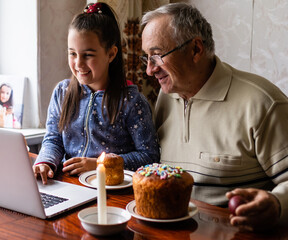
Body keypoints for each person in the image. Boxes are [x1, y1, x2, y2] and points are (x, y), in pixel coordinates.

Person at [141, 2, 288, 231]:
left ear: (196, 50)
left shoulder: (263, 103)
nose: (150, 70)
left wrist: (277, 204)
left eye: (157, 56)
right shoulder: (167, 96)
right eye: (146, 58)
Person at [33, 2, 159, 183]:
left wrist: (100, 164)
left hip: (112, 192)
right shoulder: (62, 92)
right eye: (72, 53)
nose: (78, 63)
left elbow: (149, 157)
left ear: (111, 54)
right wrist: (45, 162)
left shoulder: (132, 101)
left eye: (88, 55)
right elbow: (53, 139)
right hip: (69, 186)